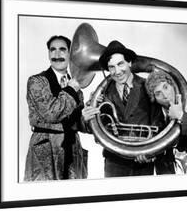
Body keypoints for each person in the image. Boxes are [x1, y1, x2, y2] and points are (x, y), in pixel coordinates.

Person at [82, 40, 160, 177]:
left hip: (142, 161)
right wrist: (87, 118)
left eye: (120, 64)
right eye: (111, 67)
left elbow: (158, 123)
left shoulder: (147, 86)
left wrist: (151, 151)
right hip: (114, 162)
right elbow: (94, 130)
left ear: (129, 63)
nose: (117, 71)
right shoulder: (102, 93)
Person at [24, 35, 87, 181]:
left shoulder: (76, 86)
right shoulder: (36, 81)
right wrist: (71, 90)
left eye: (62, 50)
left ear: (71, 54)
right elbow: (51, 114)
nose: (57, 54)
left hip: (72, 151)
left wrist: (89, 117)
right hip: (45, 151)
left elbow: (78, 124)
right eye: (52, 50)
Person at [144, 70, 187, 173]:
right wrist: (147, 154)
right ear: (154, 99)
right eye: (158, 94)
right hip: (169, 168)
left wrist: (181, 115)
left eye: (165, 87)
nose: (165, 95)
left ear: (172, 85)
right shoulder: (154, 111)